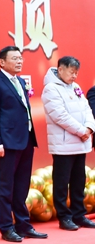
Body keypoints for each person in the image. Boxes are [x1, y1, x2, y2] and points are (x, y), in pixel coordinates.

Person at [0, 46, 46, 242]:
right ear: (2, 62)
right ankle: (6, 227)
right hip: (7, 143)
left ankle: (23, 225)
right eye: (15, 58)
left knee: (22, 185)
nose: (19, 61)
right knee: (6, 187)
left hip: (26, 140)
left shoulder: (20, 81)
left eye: (21, 58)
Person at [41, 56, 95, 231]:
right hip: (64, 144)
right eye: (71, 72)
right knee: (62, 182)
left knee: (79, 181)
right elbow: (59, 116)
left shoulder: (75, 87)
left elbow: (87, 109)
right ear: (60, 69)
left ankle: (79, 214)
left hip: (80, 142)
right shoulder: (51, 89)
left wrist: (89, 128)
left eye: (76, 73)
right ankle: (64, 217)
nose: (74, 76)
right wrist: (81, 131)